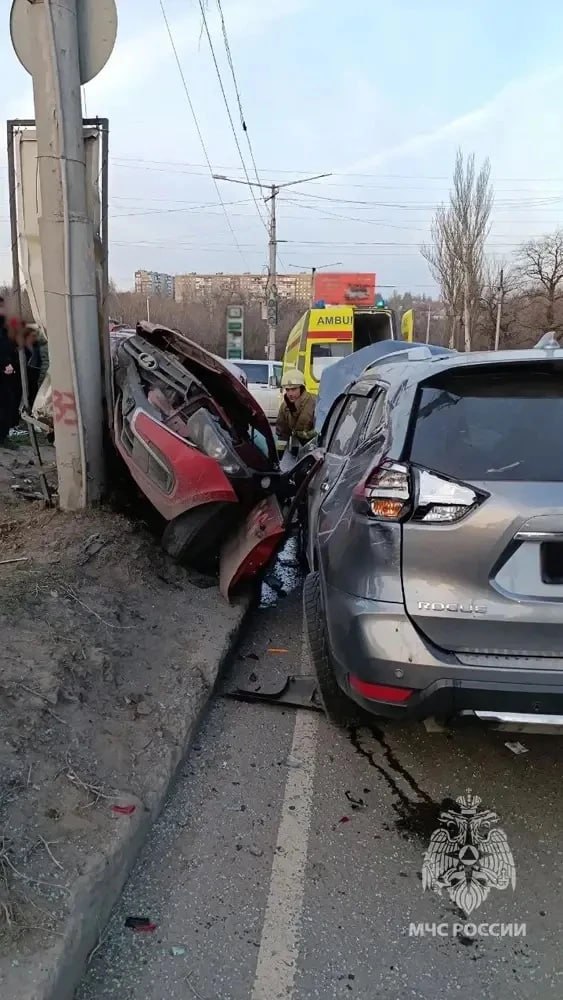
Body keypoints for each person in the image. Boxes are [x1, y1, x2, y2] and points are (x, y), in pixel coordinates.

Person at [275, 368, 316, 456]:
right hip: (299, 448)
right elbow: (282, 433)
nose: (290, 393)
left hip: (315, 449)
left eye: (294, 389)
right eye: (287, 390)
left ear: (301, 388)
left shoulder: (314, 402)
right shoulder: (285, 406)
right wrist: (278, 456)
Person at [0, 298, 19, 447]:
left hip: (8, 369)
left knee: (8, 402)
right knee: (5, 403)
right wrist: (5, 364)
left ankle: (4, 434)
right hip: (4, 369)